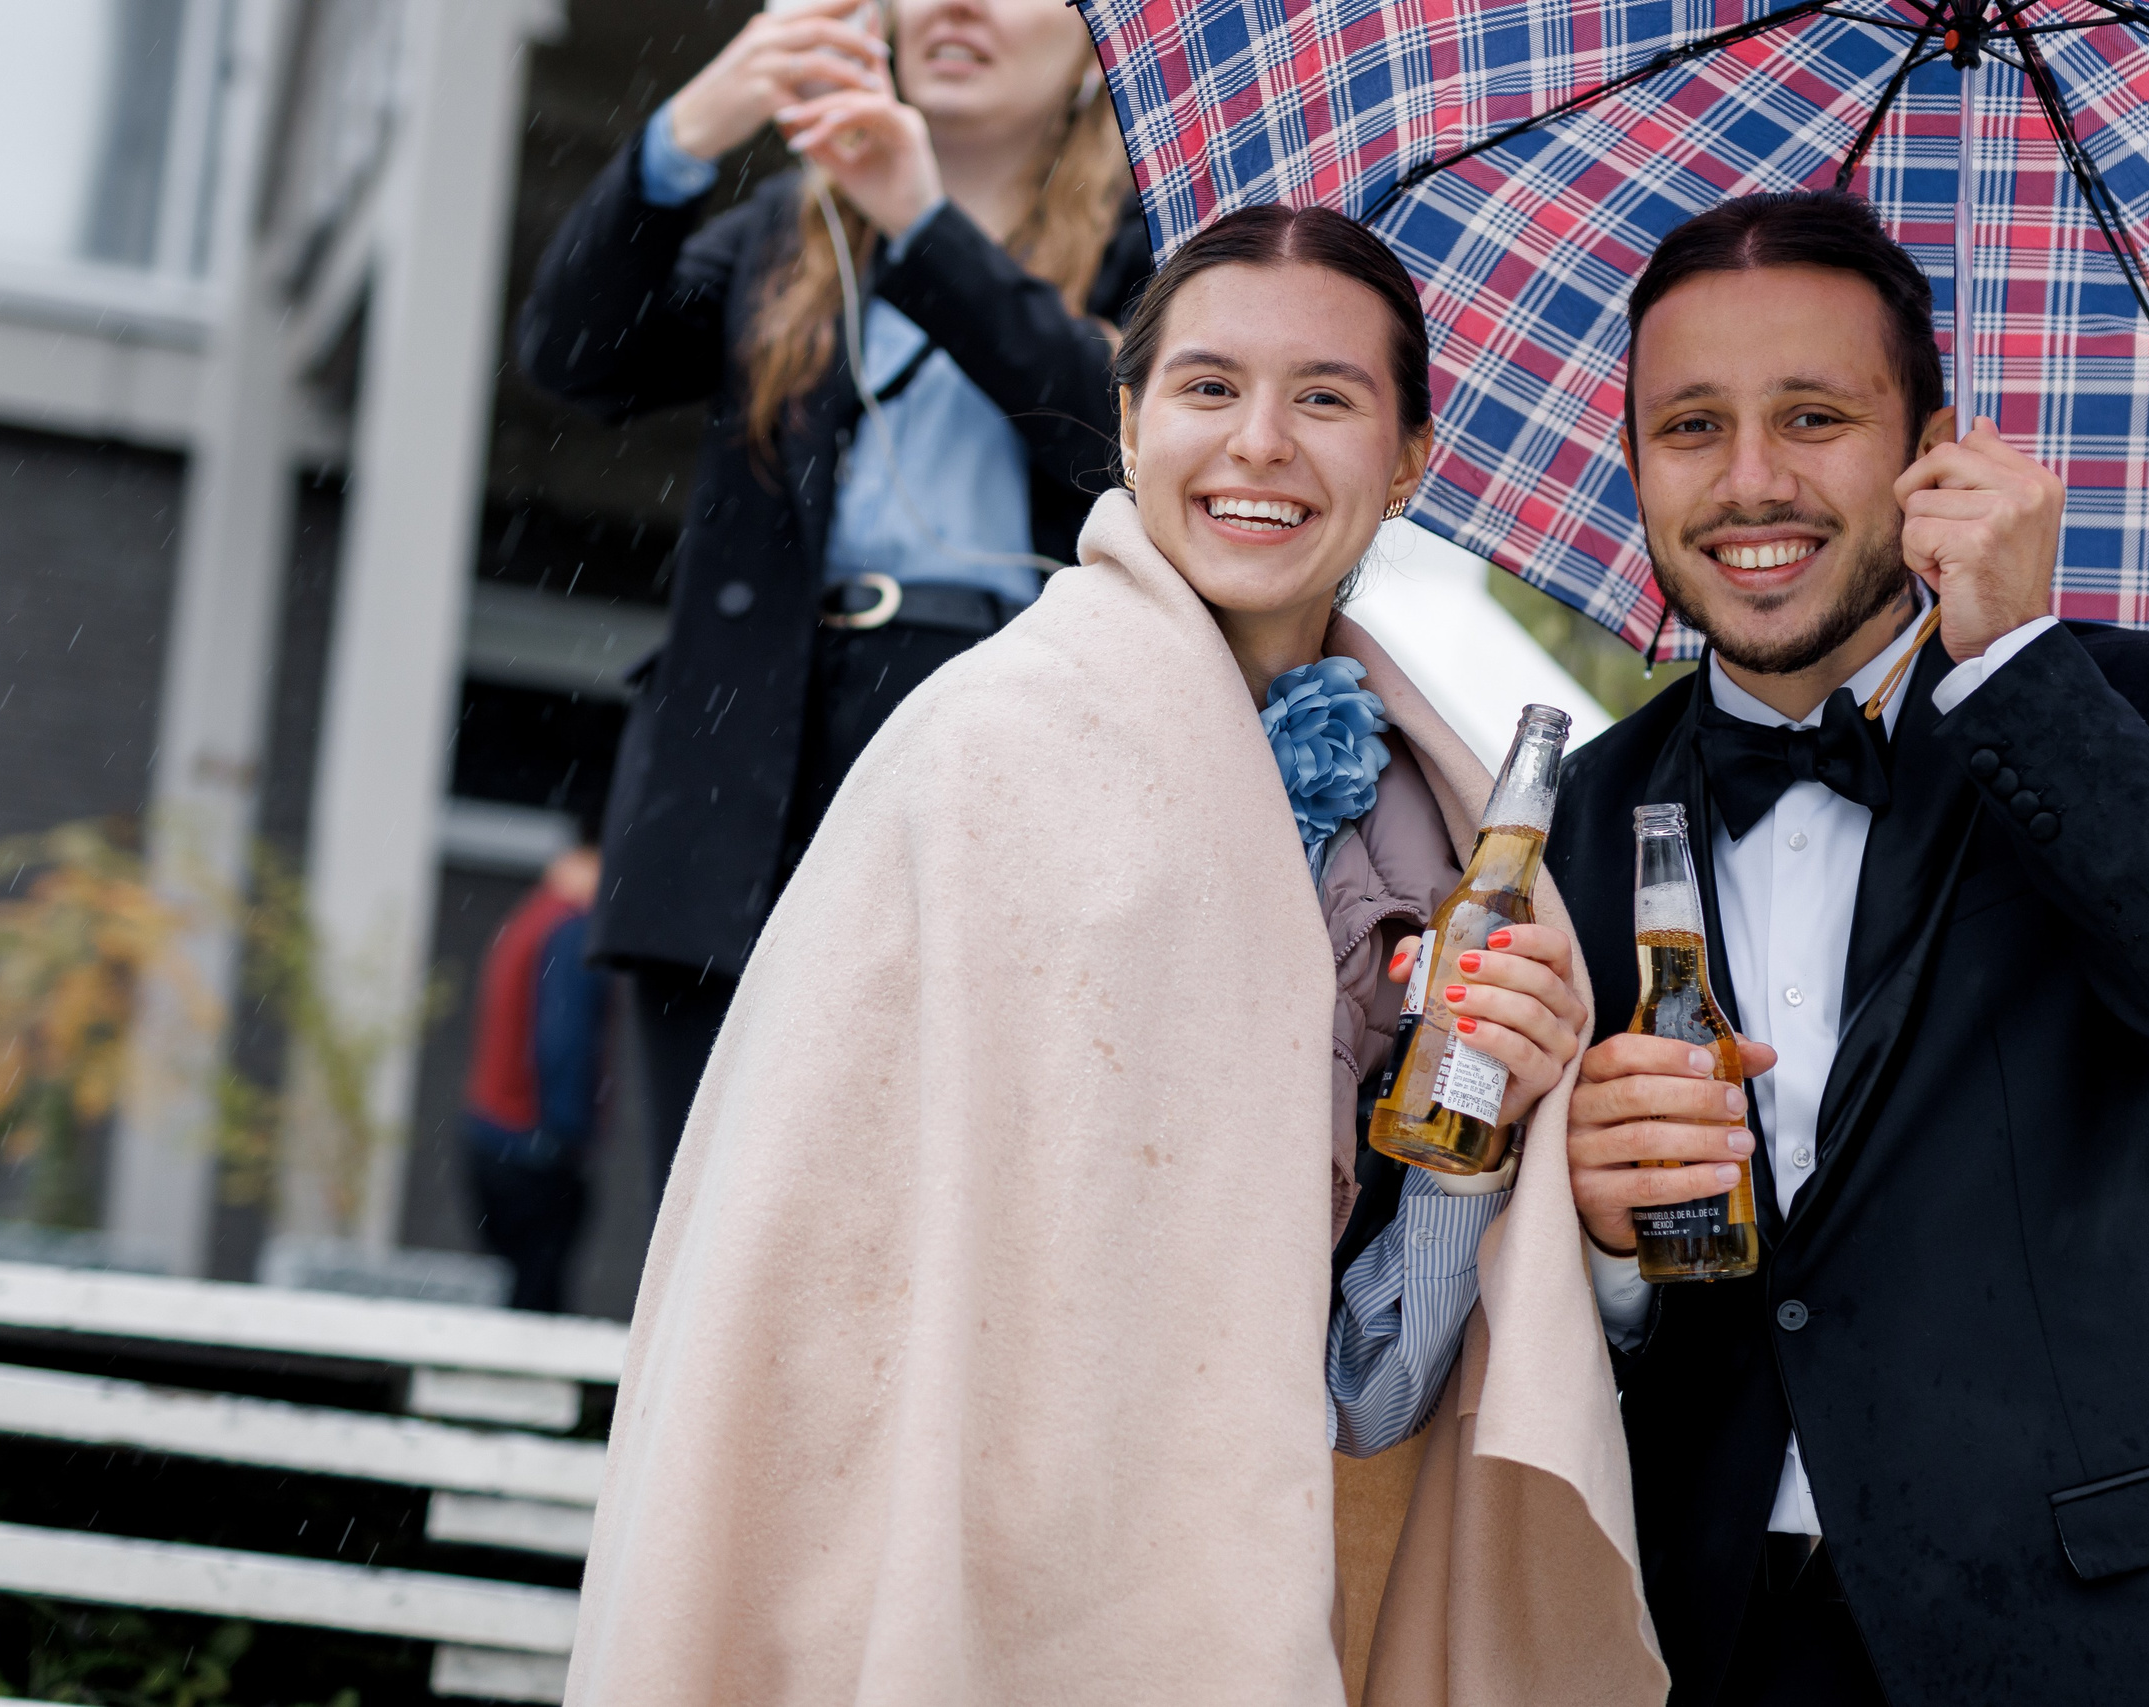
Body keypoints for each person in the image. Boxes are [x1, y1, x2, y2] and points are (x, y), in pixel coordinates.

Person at [564, 206, 1661, 1705]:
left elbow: (1365, 1394)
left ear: (1413, 456)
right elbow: (818, 1304)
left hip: (1233, 1615)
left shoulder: (1455, 838)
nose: (1259, 443)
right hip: (969, 1589)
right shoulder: (981, 753)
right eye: (1209, 388)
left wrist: (1481, 1149)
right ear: (1131, 424)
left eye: (1327, 397)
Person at [1548, 189, 2149, 1707]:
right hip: (1701, 1647)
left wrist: (2018, 664)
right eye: (1691, 427)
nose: (1749, 481)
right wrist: (1597, 1243)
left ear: (1928, 442)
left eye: (1813, 416)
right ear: (1635, 461)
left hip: (2109, 1649)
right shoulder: (1565, 824)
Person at [516, 0, 1153, 1191]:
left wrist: (922, 223)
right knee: (712, 1219)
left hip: (991, 750)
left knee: (926, 1214)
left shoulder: (1151, 248)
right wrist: (693, 128)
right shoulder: (790, 229)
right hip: (742, 758)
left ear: (1094, 46)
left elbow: (1121, 442)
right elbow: (578, 356)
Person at [461, 841, 611, 1314]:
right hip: (533, 1147)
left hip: (491, 1137)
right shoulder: (569, 927)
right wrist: (569, 1141)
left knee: (513, 1292)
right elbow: (564, 1041)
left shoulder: (531, 914)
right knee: (537, 1304)